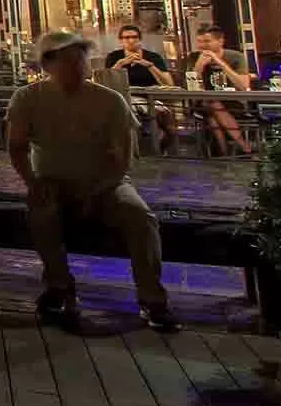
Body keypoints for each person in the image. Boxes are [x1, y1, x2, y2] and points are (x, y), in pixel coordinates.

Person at [9, 30, 176, 331]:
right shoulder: (28, 98)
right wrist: (32, 182)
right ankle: (59, 286)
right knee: (42, 215)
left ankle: (152, 297)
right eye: (67, 60)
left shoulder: (109, 101)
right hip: (52, 180)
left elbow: (122, 156)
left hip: (106, 183)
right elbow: (17, 147)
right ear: (48, 65)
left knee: (139, 216)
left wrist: (97, 189)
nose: (76, 66)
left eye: (80, 59)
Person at [105, 22, 176, 151]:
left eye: (134, 37)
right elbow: (107, 82)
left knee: (168, 124)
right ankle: (138, 151)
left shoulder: (153, 57)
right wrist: (120, 64)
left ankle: (159, 150)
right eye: (126, 38)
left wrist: (150, 66)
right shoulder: (114, 57)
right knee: (131, 115)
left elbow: (169, 84)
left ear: (140, 39)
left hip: (152, 97)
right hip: (127, 97)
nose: (131, 41)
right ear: (121, 41)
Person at [186, 24, 253, 155]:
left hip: (233, 102)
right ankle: (244, 148)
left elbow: (243, 86)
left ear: (220, 41)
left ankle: (224, 154)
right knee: (211, 102)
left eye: (207, 41)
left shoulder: (236, 57)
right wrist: (198, 68)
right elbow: (190, 88)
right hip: (202, 103)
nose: (202, 45)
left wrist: (221, 63)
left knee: (213, 116)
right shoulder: (194, 58)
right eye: (199, 41)